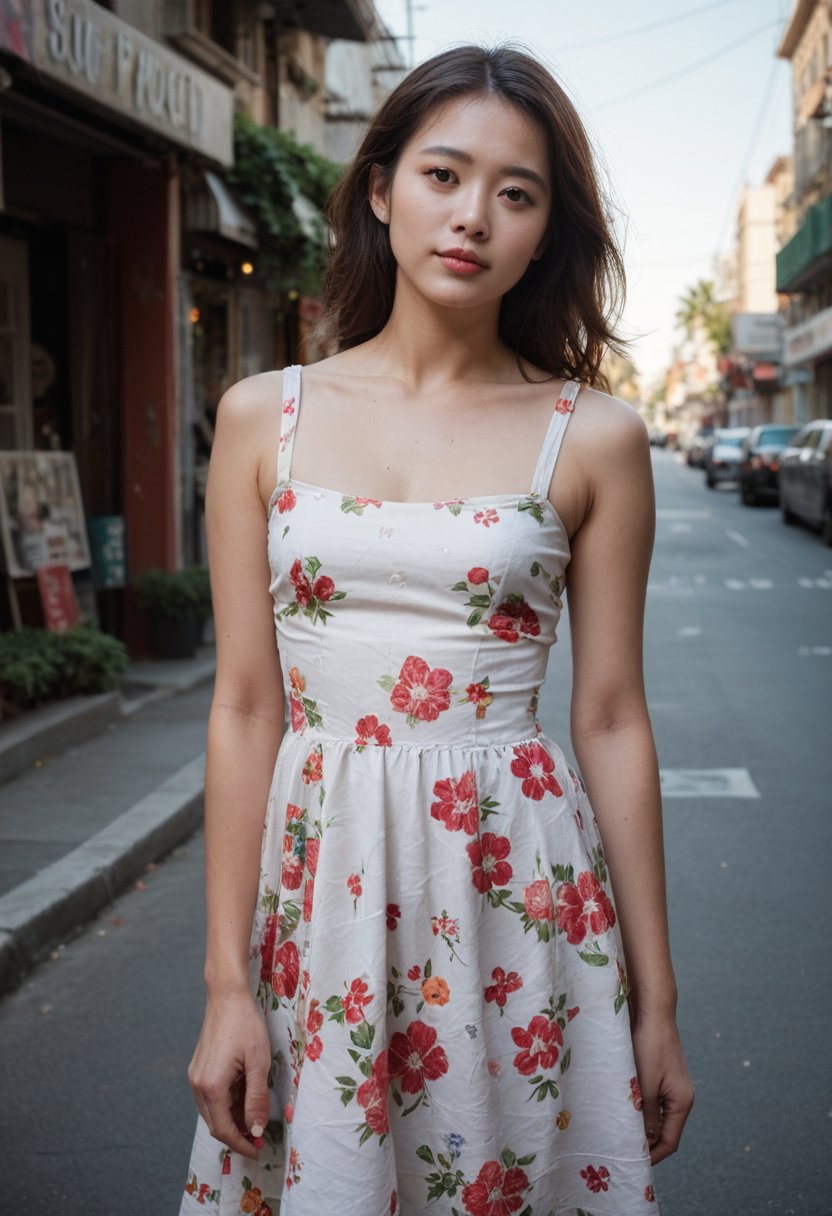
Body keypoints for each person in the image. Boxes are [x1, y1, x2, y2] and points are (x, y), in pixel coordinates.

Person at [180, 43, 694, 1216]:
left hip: (516, 892)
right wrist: (225, 984)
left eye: (515, 194)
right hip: (319, 895)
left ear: (544, 229)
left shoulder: (595, 437)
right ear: (380, 186)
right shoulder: (264, 418)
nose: (472, 217)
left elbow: (611, 717)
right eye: (443, 175)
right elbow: (246, 706)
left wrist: (657, 1003)